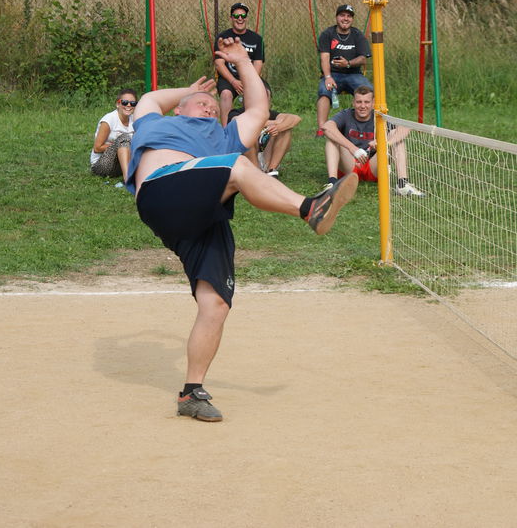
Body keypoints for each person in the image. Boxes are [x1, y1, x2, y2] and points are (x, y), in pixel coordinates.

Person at [125, 37, 358, 423]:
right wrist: (190, 90)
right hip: (162, 189)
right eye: (201, 103)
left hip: (200, 210)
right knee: (237, 165)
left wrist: (242, 63)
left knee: (215, 303)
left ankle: (191, 393)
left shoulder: (225, 136)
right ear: (180, 109)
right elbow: (150, 98)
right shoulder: (157, 122)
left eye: (213, 105)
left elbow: (258, 109)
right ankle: (309, 208)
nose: (209, 106)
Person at [322, 85, 425, 196]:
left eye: (366, 102)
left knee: (396, 137)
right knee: (332, 139)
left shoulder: (378, 117)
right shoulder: (346, 115)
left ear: (373, 103)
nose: (362, 106)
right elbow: (327, 127)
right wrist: (353, 149)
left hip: (373, 166)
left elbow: (404, 128)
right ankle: (332, 184)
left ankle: (402, 184)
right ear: (353, 103)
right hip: (350, 165)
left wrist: (384, 143)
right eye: (359, 102)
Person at [315, 4, 372, 137]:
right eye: (342, 15)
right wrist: (327, 76)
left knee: (369, 91)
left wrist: (348, 63)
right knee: (324, 90)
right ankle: (322, 128)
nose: (345, 19)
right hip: (333, 74)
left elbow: (363, 59)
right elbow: (324, 58)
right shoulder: (328, 34)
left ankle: (369, 126)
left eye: (349, 16)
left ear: (352, 19)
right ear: (337, 17)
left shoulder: (357, 35)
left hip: (354, 74)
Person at [227, 79, 301, 178]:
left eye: (266, 98)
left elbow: (295, 118)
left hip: (266, 156)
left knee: (285, 129)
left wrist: (278, 127)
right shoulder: (236, 113)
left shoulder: (270, 113)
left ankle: (271, 171)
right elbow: (240, 122)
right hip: (247, 159)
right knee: (248, 131)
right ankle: (256, 172)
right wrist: (275, 123)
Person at [213, 2, 264, 126]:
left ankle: (255, 127)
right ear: (231, 18)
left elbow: (258, 63)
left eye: (243, 15)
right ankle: (226, 130)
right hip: (229, 78)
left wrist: (249, 82)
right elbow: (219, 64)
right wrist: (233, 81)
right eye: (236, 16)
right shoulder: (223, 37)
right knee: (226, 94)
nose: (240, 18)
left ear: (246, 18)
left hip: (250, 76)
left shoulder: (257, 39)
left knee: (264, 93)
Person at [89, 88, 137, 184]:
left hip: (120, 165)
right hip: (102, 165)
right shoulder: (109, 120)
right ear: (118, 104)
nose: (128, 105)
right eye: (124, 102)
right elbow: (97, 148)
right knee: (124, 138)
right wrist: (118, 145)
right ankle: (127, 179)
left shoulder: (134, 120)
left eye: (132, 103)